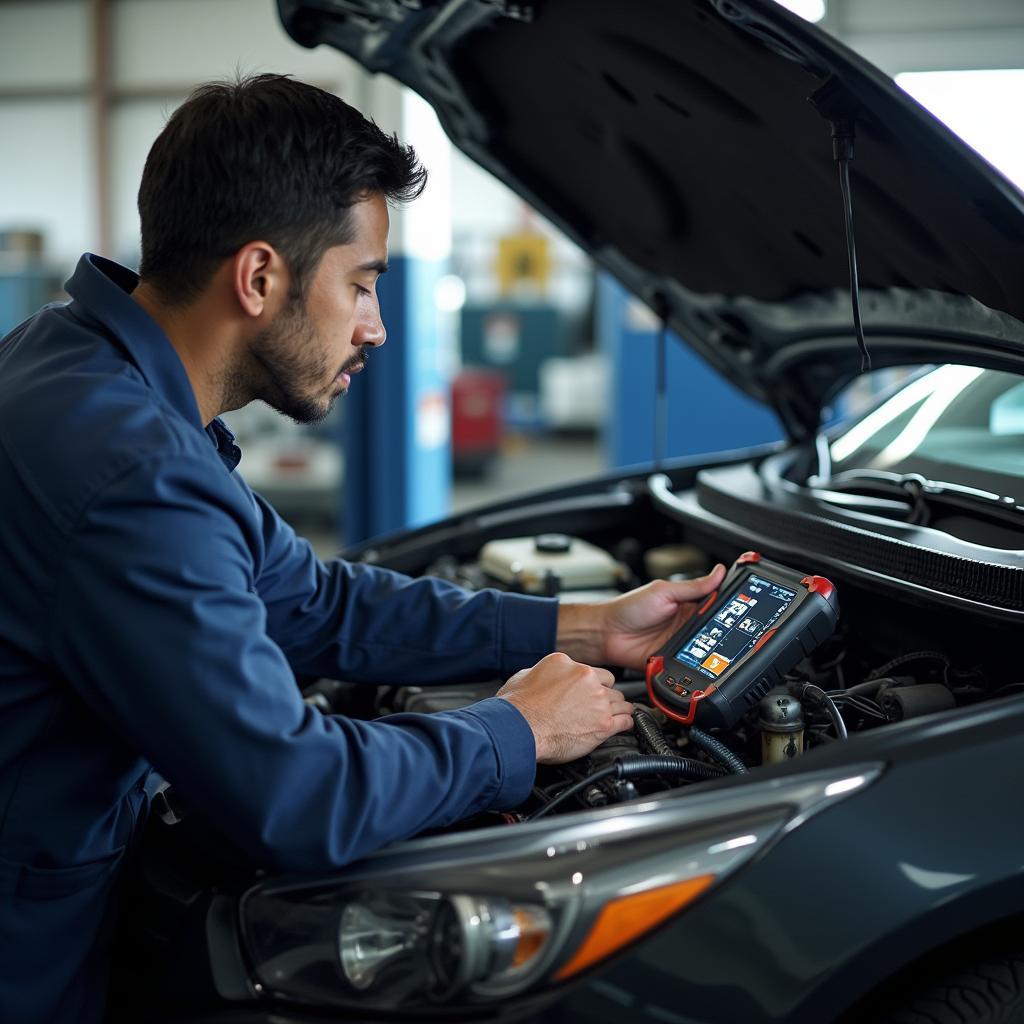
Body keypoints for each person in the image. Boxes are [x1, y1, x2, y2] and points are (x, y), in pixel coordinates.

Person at [0, 74, 724, 1023]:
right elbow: (296, 797)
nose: (376, 326)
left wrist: (587, 626)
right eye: (363, 283)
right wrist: (517, 730)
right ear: (260, 278)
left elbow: (309, 602)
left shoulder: (70, 362)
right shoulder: (130, 469)